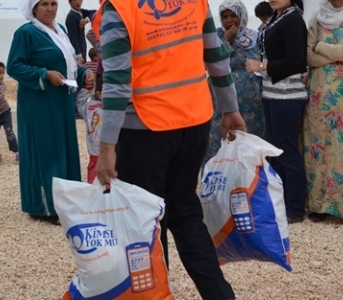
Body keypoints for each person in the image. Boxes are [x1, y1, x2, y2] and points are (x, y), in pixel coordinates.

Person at [93, 0, 246, 298]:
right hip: (194, 121)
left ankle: (154, 293)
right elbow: (216, 57)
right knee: (185, 211)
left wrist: (107, 145)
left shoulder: (120, 8)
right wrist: (229, 108)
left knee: (145, 221)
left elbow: (117, 80)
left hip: (145, 128)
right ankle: (219, 295)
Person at [7, 0, 95, 225]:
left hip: (61, 100)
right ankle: (45, 207)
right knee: (45, 150)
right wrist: (44, 73)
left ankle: (68, 200)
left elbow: (67, 64)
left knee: (63, 148)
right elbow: (14, 66)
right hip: (39, 102)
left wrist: (83, 73)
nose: (50, 8)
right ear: (34, 8)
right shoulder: (26, 33)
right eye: (44, 4)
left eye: (53, 3)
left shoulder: (61, 30)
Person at [245, 0, 308, 224]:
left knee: (287, 150)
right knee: (275, 149)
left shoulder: (292, 19)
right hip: (272, 93)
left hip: (288, 95)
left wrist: (262, 66)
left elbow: (297, 60)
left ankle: (294, 207)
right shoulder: (276, 17)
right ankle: (280, 203)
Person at [205, 0, 264, 163]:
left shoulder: (255, 37)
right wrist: (226, 41)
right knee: (220, 137)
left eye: (233, 16)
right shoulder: (216, 36)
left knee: (249, 138)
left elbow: (262, 61)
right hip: (221, 98)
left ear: (242, 16)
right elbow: (210, 62)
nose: (229, 20)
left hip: (251, 99)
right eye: (225, 16)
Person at [304, 0, 343, 222]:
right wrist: (337, 56)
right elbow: (308, 56)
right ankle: (319, 205)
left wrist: (322, 47)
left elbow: (316, 50)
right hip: (319, 96)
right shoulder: (317, 19)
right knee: (319, 146)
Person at [75, 75, 102, 184]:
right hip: (95, 159)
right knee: (94, 192)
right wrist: (88, 87)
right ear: (99, 94)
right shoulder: (91, 108)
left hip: (114, 160)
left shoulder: (118, 110)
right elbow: (79, 102)